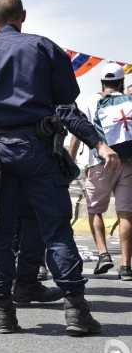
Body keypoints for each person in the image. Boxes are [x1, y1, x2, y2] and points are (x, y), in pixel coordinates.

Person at [0, 0, 119, 335]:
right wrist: (98, 143)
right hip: (40, 151)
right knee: (55, 230)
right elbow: (67, 108)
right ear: (22, 16)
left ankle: (3, 314)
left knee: (0, 232)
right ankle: (75, 311)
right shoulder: (45, 47)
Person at [69, 63, 132, 280]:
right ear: (122, 82)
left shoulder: (88, 102)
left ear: (101, 82)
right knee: (126, 213)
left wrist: (70, 161)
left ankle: (104, 255)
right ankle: (125, 267)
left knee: (95, 210)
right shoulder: (130, 102)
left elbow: (77, 134)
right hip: (128, 162)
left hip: (100, 164)